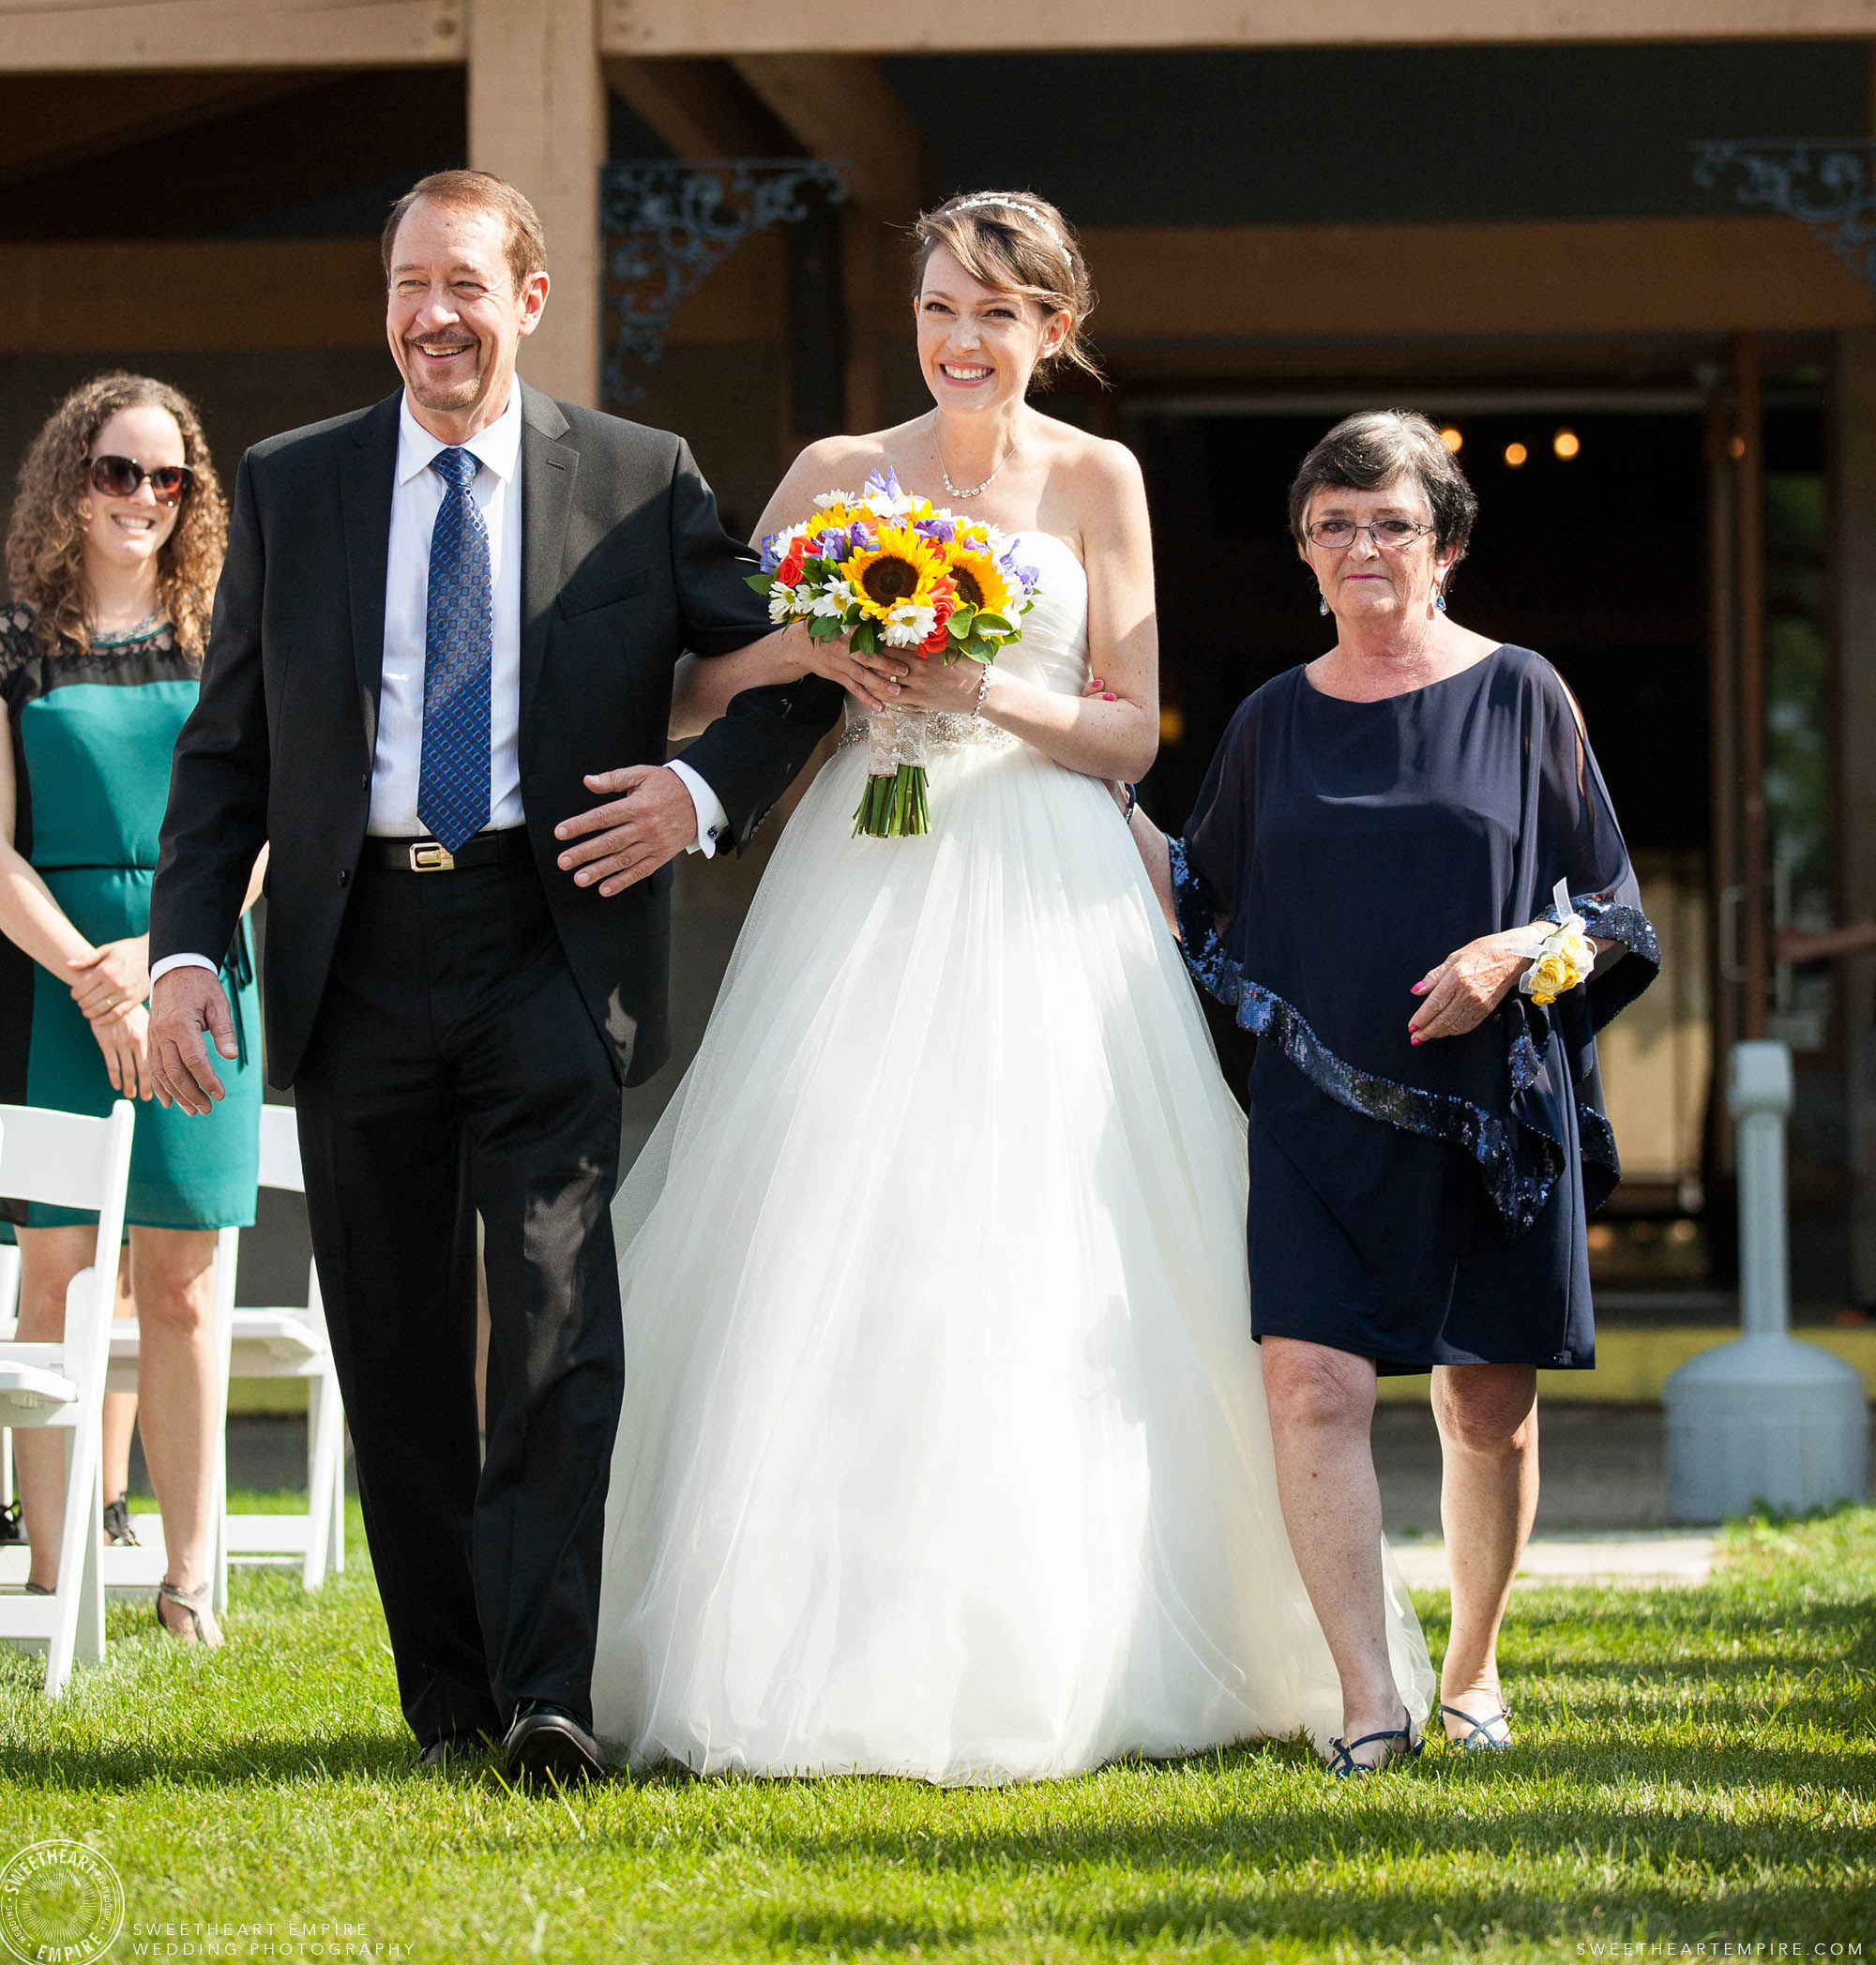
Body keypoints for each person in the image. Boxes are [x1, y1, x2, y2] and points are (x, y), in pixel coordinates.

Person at [588, 192, 1432, 1781]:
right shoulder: (839, 478)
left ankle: (1089, 1629)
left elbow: (1131, 730)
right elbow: (699, 673)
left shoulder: (1100, 479)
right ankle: (808, 1631)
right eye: (937, 311)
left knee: (1058, 1237)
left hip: (1041, 869)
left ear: (1055, 328)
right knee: (843, 1228)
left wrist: (986, 688)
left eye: (996, 313)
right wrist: (822, 648)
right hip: (861, 868)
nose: (961, 342)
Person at [145, 170, 839, 1784]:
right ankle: (449, 1695)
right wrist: (187, 950)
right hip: (358, 950)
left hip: (552, 939)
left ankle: (547, 1697)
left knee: (548, 1327)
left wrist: (696, 795)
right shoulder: (295, 482)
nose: (430, 318)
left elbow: (806, 657)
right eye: (406, 286)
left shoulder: (638, 477)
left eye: (462, 284)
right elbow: (227, 753)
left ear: (529, 299)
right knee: (391, 1342)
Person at [1127, 410, 1658, 1770]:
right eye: (1334, 525)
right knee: (1311, 1386)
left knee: (1490, 1401)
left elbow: (1609, 908)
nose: (1362, 547)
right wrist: (1042, 769)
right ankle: (1371, 1700)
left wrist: (1511, 954)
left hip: (1492, 1103)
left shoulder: (1523, 690)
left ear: (1447, 546)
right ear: (1306, 554)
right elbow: (1197, 896)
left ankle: (1473, 1668)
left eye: (1392, 523)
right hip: (1313, 1111)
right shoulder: (1269, 719)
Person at [2, 373, 263, 1646]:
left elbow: (267, 830)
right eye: (118, 471)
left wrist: (159, 955)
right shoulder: (11, 644)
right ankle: (55, 1581)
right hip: (59, 981)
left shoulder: (228, 635)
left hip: (201, 969)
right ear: (71, 478)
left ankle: (188, 1581)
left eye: (171, 479)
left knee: (183, 1283)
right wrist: (91, 974)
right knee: (53, 1277)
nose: (145, 499)